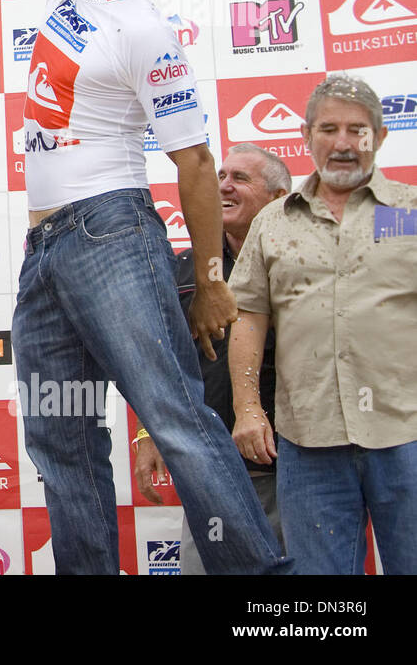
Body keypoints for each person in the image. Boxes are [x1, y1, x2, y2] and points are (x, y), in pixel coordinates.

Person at [0, 0, 289, 573]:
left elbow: (193, 161)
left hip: (113, 233)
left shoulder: (148, 31)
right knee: (60, 434)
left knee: (179, 418)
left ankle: (263, 585)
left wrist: (209, 283)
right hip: (47, 248)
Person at [229, 74, 417, 574]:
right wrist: (248, 409)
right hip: (308, 443)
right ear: (306, 137)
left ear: (379, 137)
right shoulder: (274, 221)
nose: (342, 142)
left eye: (357, 130)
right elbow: (249, 318)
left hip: (407, 434)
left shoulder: (410, 212)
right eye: (328, 128)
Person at [133, 144, 290, 573]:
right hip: (208, 470)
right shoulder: (185, 269)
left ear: (278, 197)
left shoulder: (301, 264)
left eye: (241, 178)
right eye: (221, 176)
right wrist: (147, 433)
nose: (224, 185)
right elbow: (159, 359)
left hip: (289, 466)